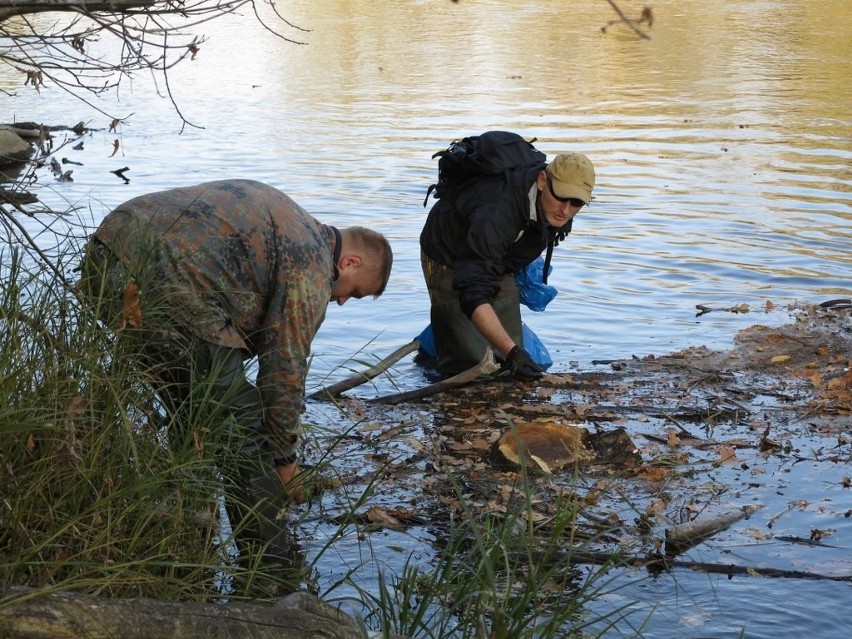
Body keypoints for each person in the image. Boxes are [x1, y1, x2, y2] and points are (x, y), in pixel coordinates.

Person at [79, 179, 393, 579]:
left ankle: (186, 542)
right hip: (166, 283)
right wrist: (284, 460)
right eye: (356, 293)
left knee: (193, 412)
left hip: (105, 257)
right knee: (241, 427)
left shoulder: (291, 219)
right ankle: (273, 574)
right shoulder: (312, 263)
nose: (344, 300)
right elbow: (284, 372)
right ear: (350, 263)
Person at [420, 151, 594, 380]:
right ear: (543, 181)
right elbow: (472, 290)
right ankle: (442, 351)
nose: (566, 210)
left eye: (577, 203)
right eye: (561, 198)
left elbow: (537, 233)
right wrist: (513, 354)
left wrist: (512, 354)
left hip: (497, 254)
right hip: (447, 250)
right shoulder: (497, 212)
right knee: (468, 363)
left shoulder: (557, 209)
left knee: (509, 359)